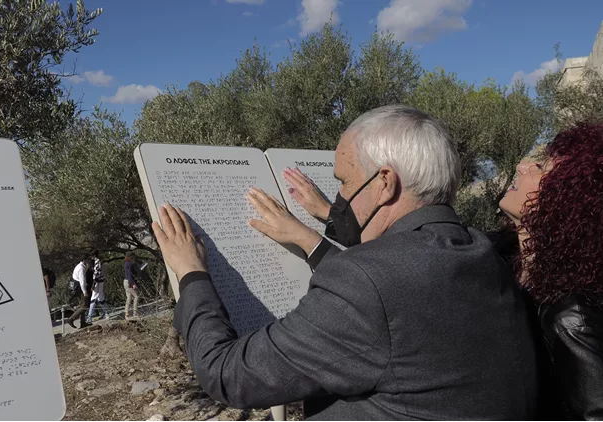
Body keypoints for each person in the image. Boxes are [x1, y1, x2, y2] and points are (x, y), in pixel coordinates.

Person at [151, 105, 538, 420]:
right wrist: (308, 239)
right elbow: (393, 294)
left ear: (385, 182)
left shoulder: (368, 282)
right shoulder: (479, 249)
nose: (338, 197)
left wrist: (192, 274)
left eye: (344, 182)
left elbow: (228, 374)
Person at [497, 122, 603, 420]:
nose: (522, 166)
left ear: (567, 200)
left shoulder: (573, 319)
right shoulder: (499, 261)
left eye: (541, 168)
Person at [67, 254, 93, 329]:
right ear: (85, 260)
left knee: (82, 305)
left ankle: (83, 323)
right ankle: (71, 319)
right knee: (84, 306)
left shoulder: (80, 266)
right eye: (88, 260)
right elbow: (82, 281)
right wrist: (85, 292)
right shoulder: (81, 268)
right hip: (80, 289)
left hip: (77, 288)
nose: (89, 261)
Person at [87, 250, 110, 323]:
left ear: (94, 255)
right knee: (101, 298)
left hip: (97, 282)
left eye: (91, 255)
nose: (90, 257)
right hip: (100, 282)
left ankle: (89, 317)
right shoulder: (99, 261)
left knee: (93, 299)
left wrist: (93, 285)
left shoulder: (97, 262)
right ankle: (106, 313)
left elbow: (97, 274)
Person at [123, 252, 140, 320]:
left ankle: (126, 313)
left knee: (129, 297)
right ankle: (135, 313)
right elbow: (130, 275)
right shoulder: (129, 264)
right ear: (130, 257)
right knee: (136, 296)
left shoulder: (126, 263)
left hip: (125, 281)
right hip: (129, 282)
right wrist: (133, 284)